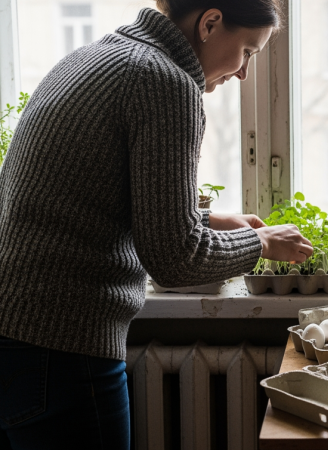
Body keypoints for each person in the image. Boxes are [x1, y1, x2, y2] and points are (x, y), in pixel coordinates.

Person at [0, 1, 310, 448]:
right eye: (247, 51)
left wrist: (205, 218)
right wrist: (259, 242)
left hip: (17, 335)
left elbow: (91, 198)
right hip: (61, 343)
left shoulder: (99, 55)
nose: (244, 73)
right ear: (210, 23)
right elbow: (175, 259)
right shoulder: (164, 81)